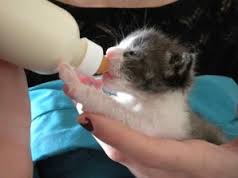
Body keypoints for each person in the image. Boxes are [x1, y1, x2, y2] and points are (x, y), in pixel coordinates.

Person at [1, 1, 238, 178]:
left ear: (171, 73)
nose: (110, 52)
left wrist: (84, 93)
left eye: (131, 55)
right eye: (121, 45)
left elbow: (128, 120)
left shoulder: (168, 117)